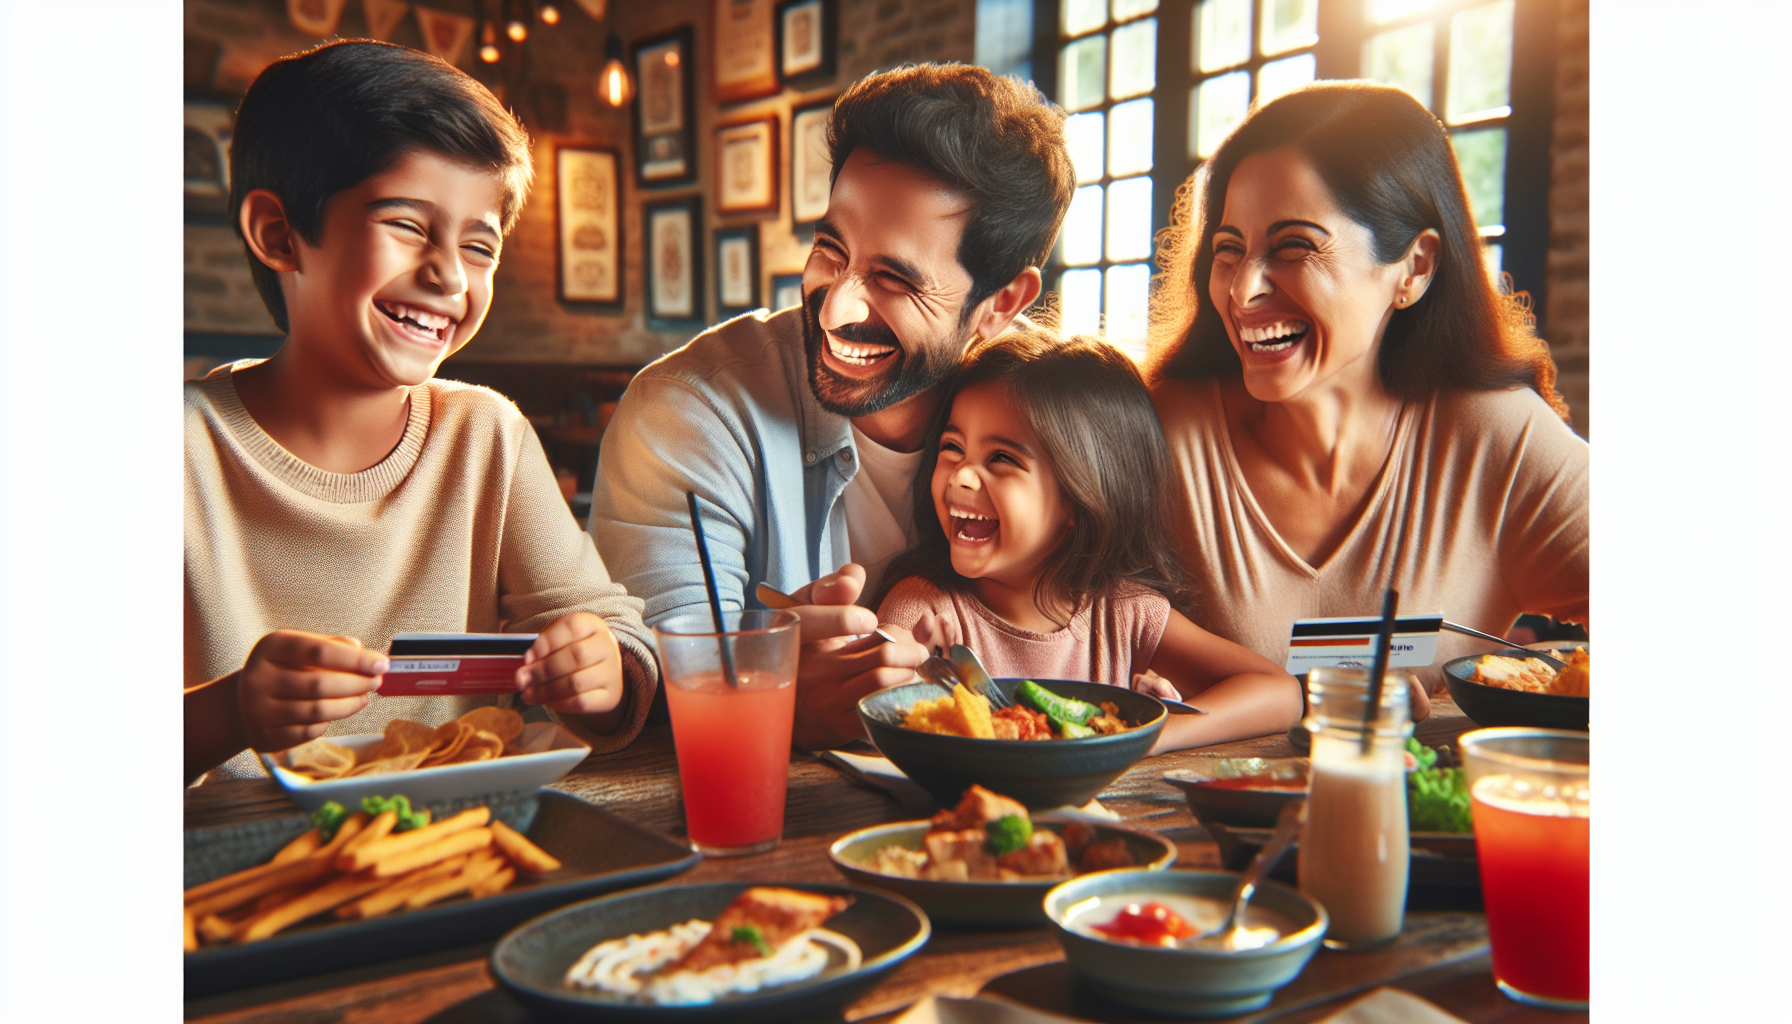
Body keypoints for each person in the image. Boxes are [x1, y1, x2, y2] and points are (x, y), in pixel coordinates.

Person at [184, 41, 657, 783]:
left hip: (456, 860)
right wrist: (231, 711)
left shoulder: (486, 436)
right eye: (406, 225)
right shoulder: (181, 453)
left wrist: (603, 668)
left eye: (479, 245)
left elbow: (612, 632)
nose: (447, 275)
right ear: (280, 234)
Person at [591, 64, 1076, 749]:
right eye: (831, 249)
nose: (838, 307)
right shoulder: (687, 411)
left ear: (999, 305)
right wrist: (774, 701)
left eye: (895, 279)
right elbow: (657, 681)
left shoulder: (1058, 418)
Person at [1147, 82, 1589, 706]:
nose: (1243, 290)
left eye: (1294, 246)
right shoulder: (1156, 433)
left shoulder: (1499, 437)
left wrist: (1529, 675)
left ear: (1414, 268)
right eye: (1229, 249)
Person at [875, 332, 1301, 753]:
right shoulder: (924, 610)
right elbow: (880, 710)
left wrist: (1146, 735)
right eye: (953, 447)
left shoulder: (1124, 615)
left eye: (1001, 458)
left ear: (1078, 498)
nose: (961, 476)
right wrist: (912, 685)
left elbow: (1279, 693)